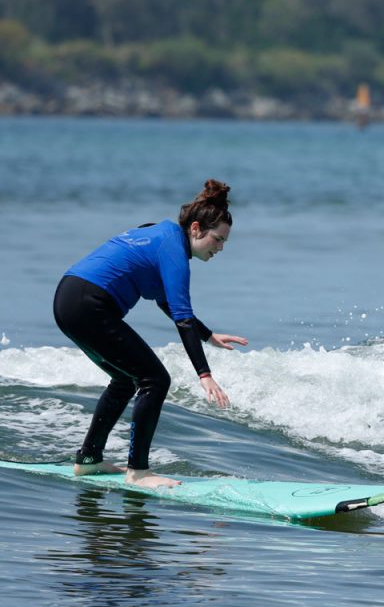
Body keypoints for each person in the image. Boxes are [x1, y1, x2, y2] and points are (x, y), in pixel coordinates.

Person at [53, 179, 248, 489]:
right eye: (218, 239)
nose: (221, 248)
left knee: (125, 378)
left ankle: (89, 460)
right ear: (195, 229)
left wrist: (209, 336)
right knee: (155, 379)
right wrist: (204, 373)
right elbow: (181, 318)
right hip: (89, 304)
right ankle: (138, 471)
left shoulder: (161, 234)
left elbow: (167, 303)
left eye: (224, 242)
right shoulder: (174, 252)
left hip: (70, 298)